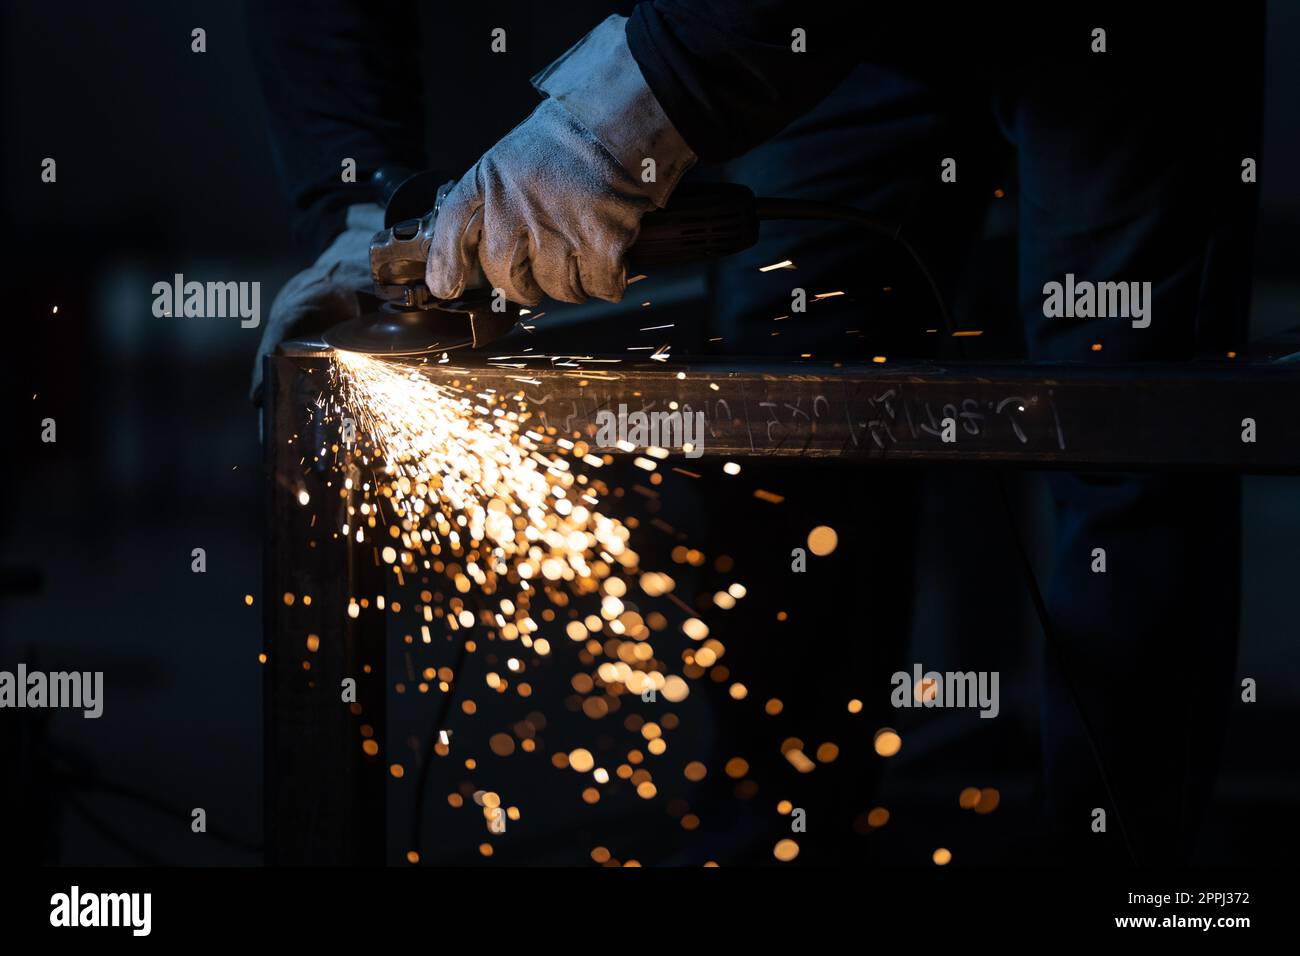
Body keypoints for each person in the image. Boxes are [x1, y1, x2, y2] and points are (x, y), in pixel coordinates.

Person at [248, 1, 1263, 864]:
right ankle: (782, 838)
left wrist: (619, 115)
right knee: (788, 414)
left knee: (1125, 422)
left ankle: (1127, 878)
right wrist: (354, 206)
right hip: (840, 42)